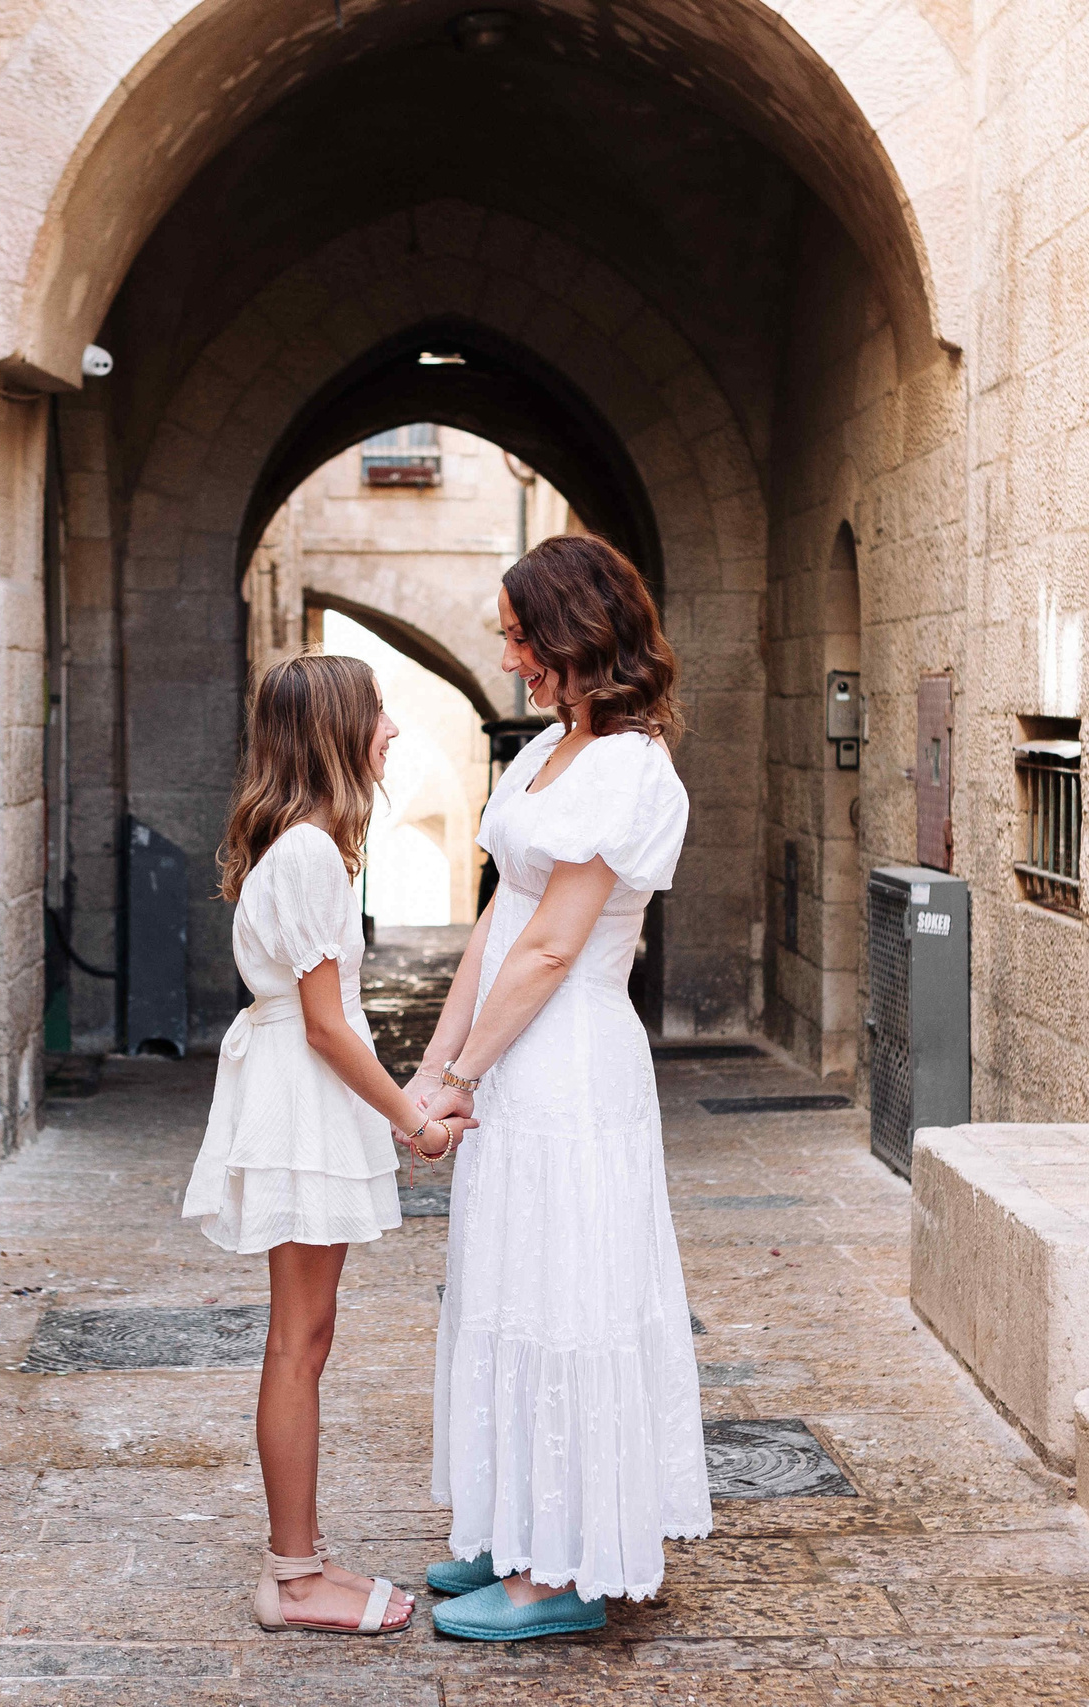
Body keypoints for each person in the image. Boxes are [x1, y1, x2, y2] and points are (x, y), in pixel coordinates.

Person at [410, 534, 712, 1640]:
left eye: (518, 636)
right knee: (511, 1282)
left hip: (571, 1061)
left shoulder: (629, 767)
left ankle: (565, 1573)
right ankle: (518, 1527)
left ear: (574, 633)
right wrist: (438, 1064)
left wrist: (465, 1074)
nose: (507, 657)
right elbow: (500, 917)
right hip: (515, 1058)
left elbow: (549, 949)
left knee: (567, 1291)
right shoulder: (549, 748)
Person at [182, 651, 472, 1636]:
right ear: (335, 730)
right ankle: (294, 1578)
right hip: (300, 1103)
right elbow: (326, 1025)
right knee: (298, 1341)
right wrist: (415, 1122)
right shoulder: (308, 853)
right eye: (377, 711)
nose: (392, 729)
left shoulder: (300, 847)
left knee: (304, 1337)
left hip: (298, 1096)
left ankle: (300, 1558)